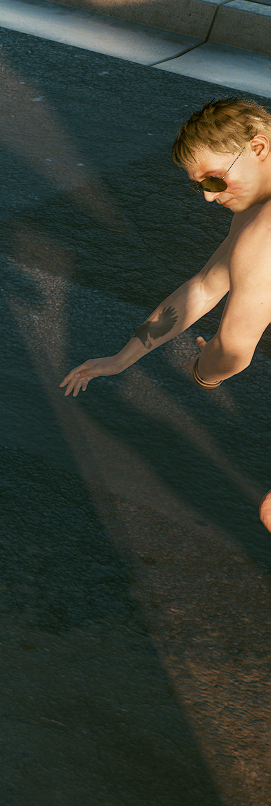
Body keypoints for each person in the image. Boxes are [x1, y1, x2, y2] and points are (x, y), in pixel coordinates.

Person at [61, 97, 271, 529]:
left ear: (258, 147)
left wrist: (204, 372)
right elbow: (205, 286)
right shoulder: (255, 214)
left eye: (214, 180)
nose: (209, 197)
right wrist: (123, 358)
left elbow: (233, 351)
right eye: (200, 187)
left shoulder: (264, 236)